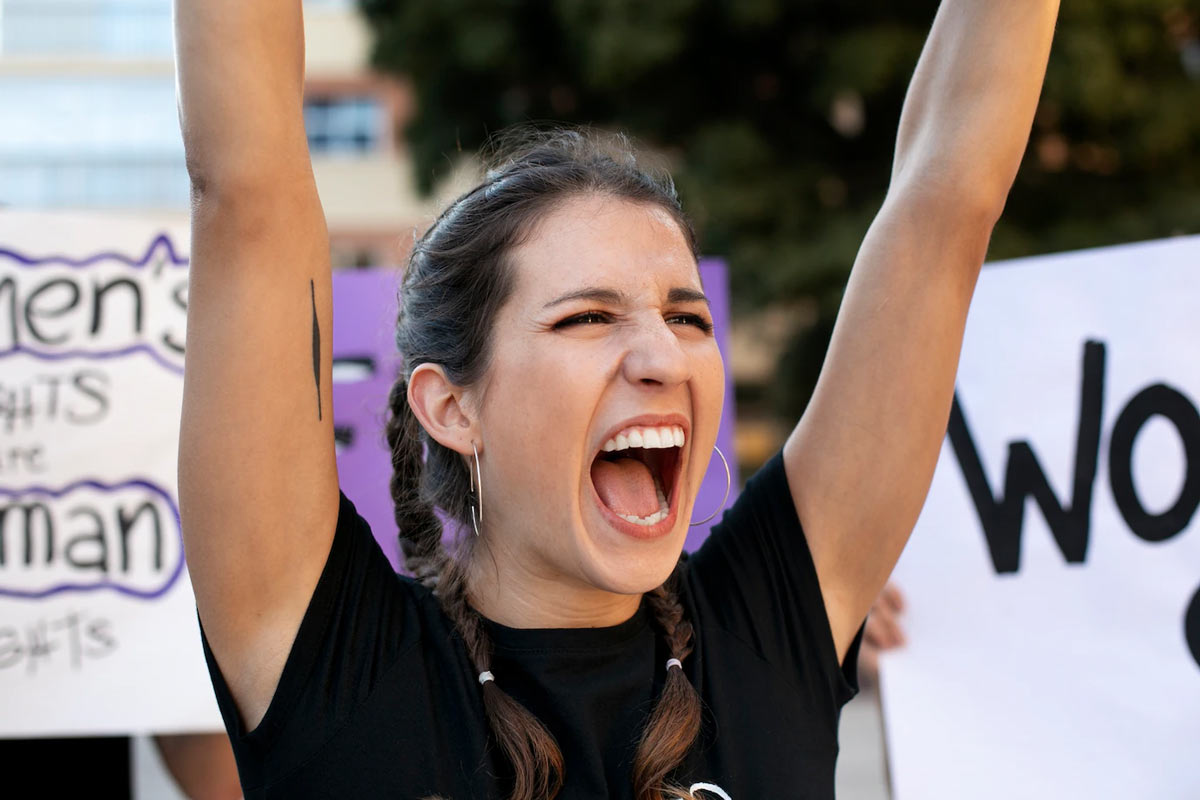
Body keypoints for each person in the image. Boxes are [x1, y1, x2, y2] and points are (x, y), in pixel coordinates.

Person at [172, 1, 1060, 797]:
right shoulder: (336, 664)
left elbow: (946, 199)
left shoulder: (763, 636)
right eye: (588, 318)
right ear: (450, 406)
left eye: (687, 316)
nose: (661, 355)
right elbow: (248, 190)